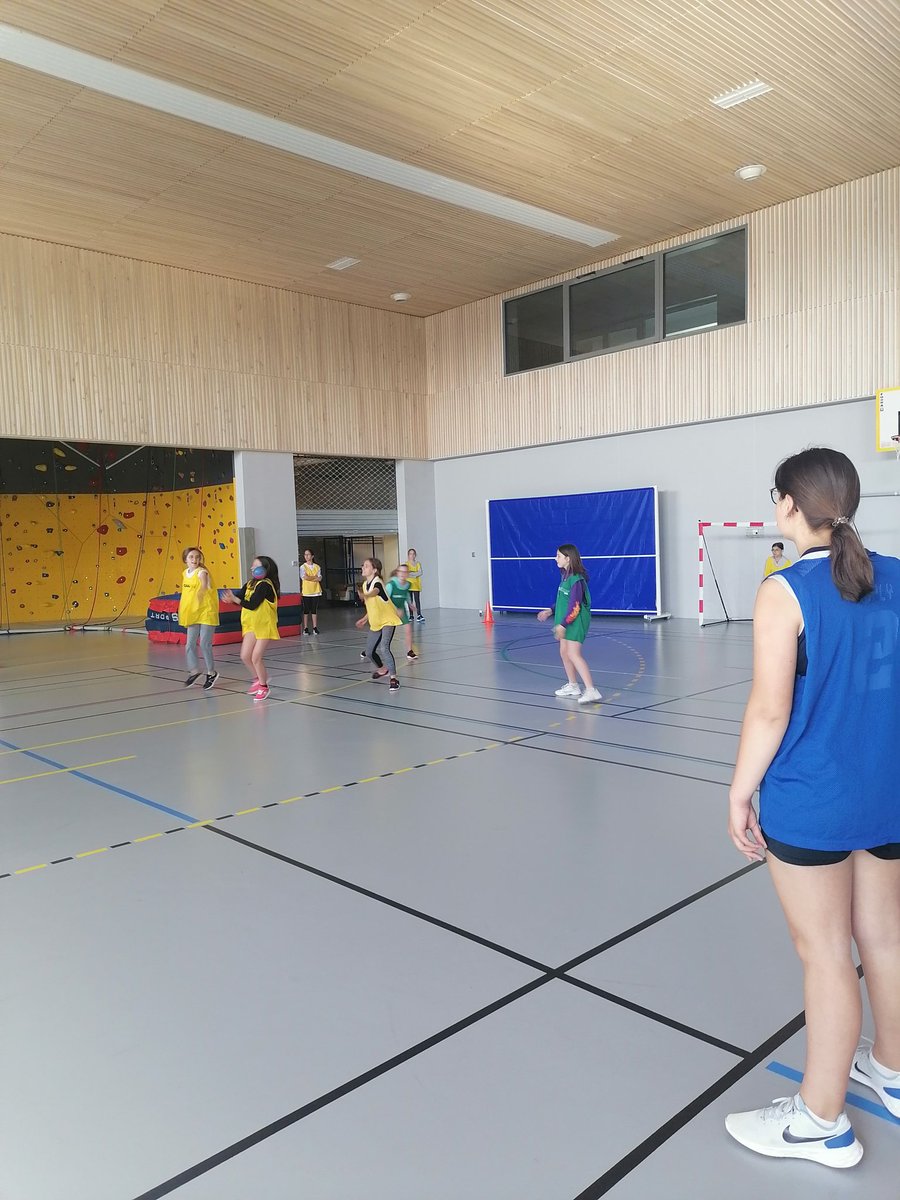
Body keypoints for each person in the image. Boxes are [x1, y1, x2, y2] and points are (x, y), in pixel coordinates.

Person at [726, 447, 900, 1169]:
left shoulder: (783, 590)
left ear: (792, 506)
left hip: (814, 802)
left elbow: (770, 713)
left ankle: (820, 1121)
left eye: (778, 498)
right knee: (884, 940)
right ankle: (891, 1072)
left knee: (826, 954)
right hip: (888, 794)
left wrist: (739, 792)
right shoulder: (894, 575)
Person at [537, 544, 602, 704]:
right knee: (564, 652)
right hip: (565, 621)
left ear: (568, 558)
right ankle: (573, 685)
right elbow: (563, 601)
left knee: (573, 654)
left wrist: (563, 625)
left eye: (558, 556)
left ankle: (591, 690)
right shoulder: (564, 576)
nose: (555, 558)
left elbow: (575, 606)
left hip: (576, 622)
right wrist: (550, 611)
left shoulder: (576, 580)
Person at [221, 556, 281, 700]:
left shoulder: (265, 585)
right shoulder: (250, 584)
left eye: (256, 566)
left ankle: (264, 686)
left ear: (266, 569)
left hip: (264, 625)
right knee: (245, 656)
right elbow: (241, 599)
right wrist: (231, 599)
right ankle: (258, 678)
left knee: (256, 657)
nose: (253, 568)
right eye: (252, 566)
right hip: (251, 625)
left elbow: (252, 604)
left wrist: (236, 600)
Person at [356, 557, 402, 691]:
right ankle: (383, 669)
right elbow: (373, 606)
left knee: (384, 648)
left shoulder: (378, 583)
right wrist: (365, 618)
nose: (363, 568)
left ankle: (394, 678)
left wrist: (366, 595)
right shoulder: (365, 585)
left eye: (366, 566)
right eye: (363, 566)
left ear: (374, 570)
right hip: (376, 622)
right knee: (369, 652)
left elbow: (375, 592)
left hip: (388, 620)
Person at [178, 546, 219, 690]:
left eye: (197, 557)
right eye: (191, 557)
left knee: (204, 644)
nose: (195, 560)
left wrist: (202, 591)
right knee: (189, 644)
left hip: (206, 612)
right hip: (193, 612)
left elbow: (203, 583)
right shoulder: (185, 573)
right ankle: (194, 671)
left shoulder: (202, 572)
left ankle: (211, 672)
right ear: (185, 560)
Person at [386, 563, 418, 660]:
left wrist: (410, 604)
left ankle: (409, 651)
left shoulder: (408, 584)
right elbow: (385, 600)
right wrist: (395, 610)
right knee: (383, 635)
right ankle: (369, 650)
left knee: (408, 629)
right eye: (401, 571)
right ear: (397, 573)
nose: (403, 574)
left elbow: (406, 594)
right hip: (389, 611)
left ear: (408, 574)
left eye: (405, 572)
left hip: (401, 610)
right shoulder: (391, 585)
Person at [300, 548, 322, 635]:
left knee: (314, 610)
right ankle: (305, 628)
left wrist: (310, 577)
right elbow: (304, 577)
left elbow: (319, 578)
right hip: (306, 591)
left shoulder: (317, 567)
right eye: (305, 555)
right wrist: (314, 577)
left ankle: (315, 627)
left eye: (308, 554)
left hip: (316, 591)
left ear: (312, 556)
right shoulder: (302, 567)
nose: (306, 556)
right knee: (306, 610)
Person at [405, 548, 424, 621]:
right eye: (410, 554)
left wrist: (412, 573)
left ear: (415, 555)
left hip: (416, 585)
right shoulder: (406, 564)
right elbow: (407, 573)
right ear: (408, 555)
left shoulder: (418, 563)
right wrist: (414, 573)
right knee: (410, 601)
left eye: (413, 554)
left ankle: (419, 615)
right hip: (409, 585)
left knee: (417, 600)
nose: (412, 555)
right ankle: (411, 615)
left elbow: (420, 572)